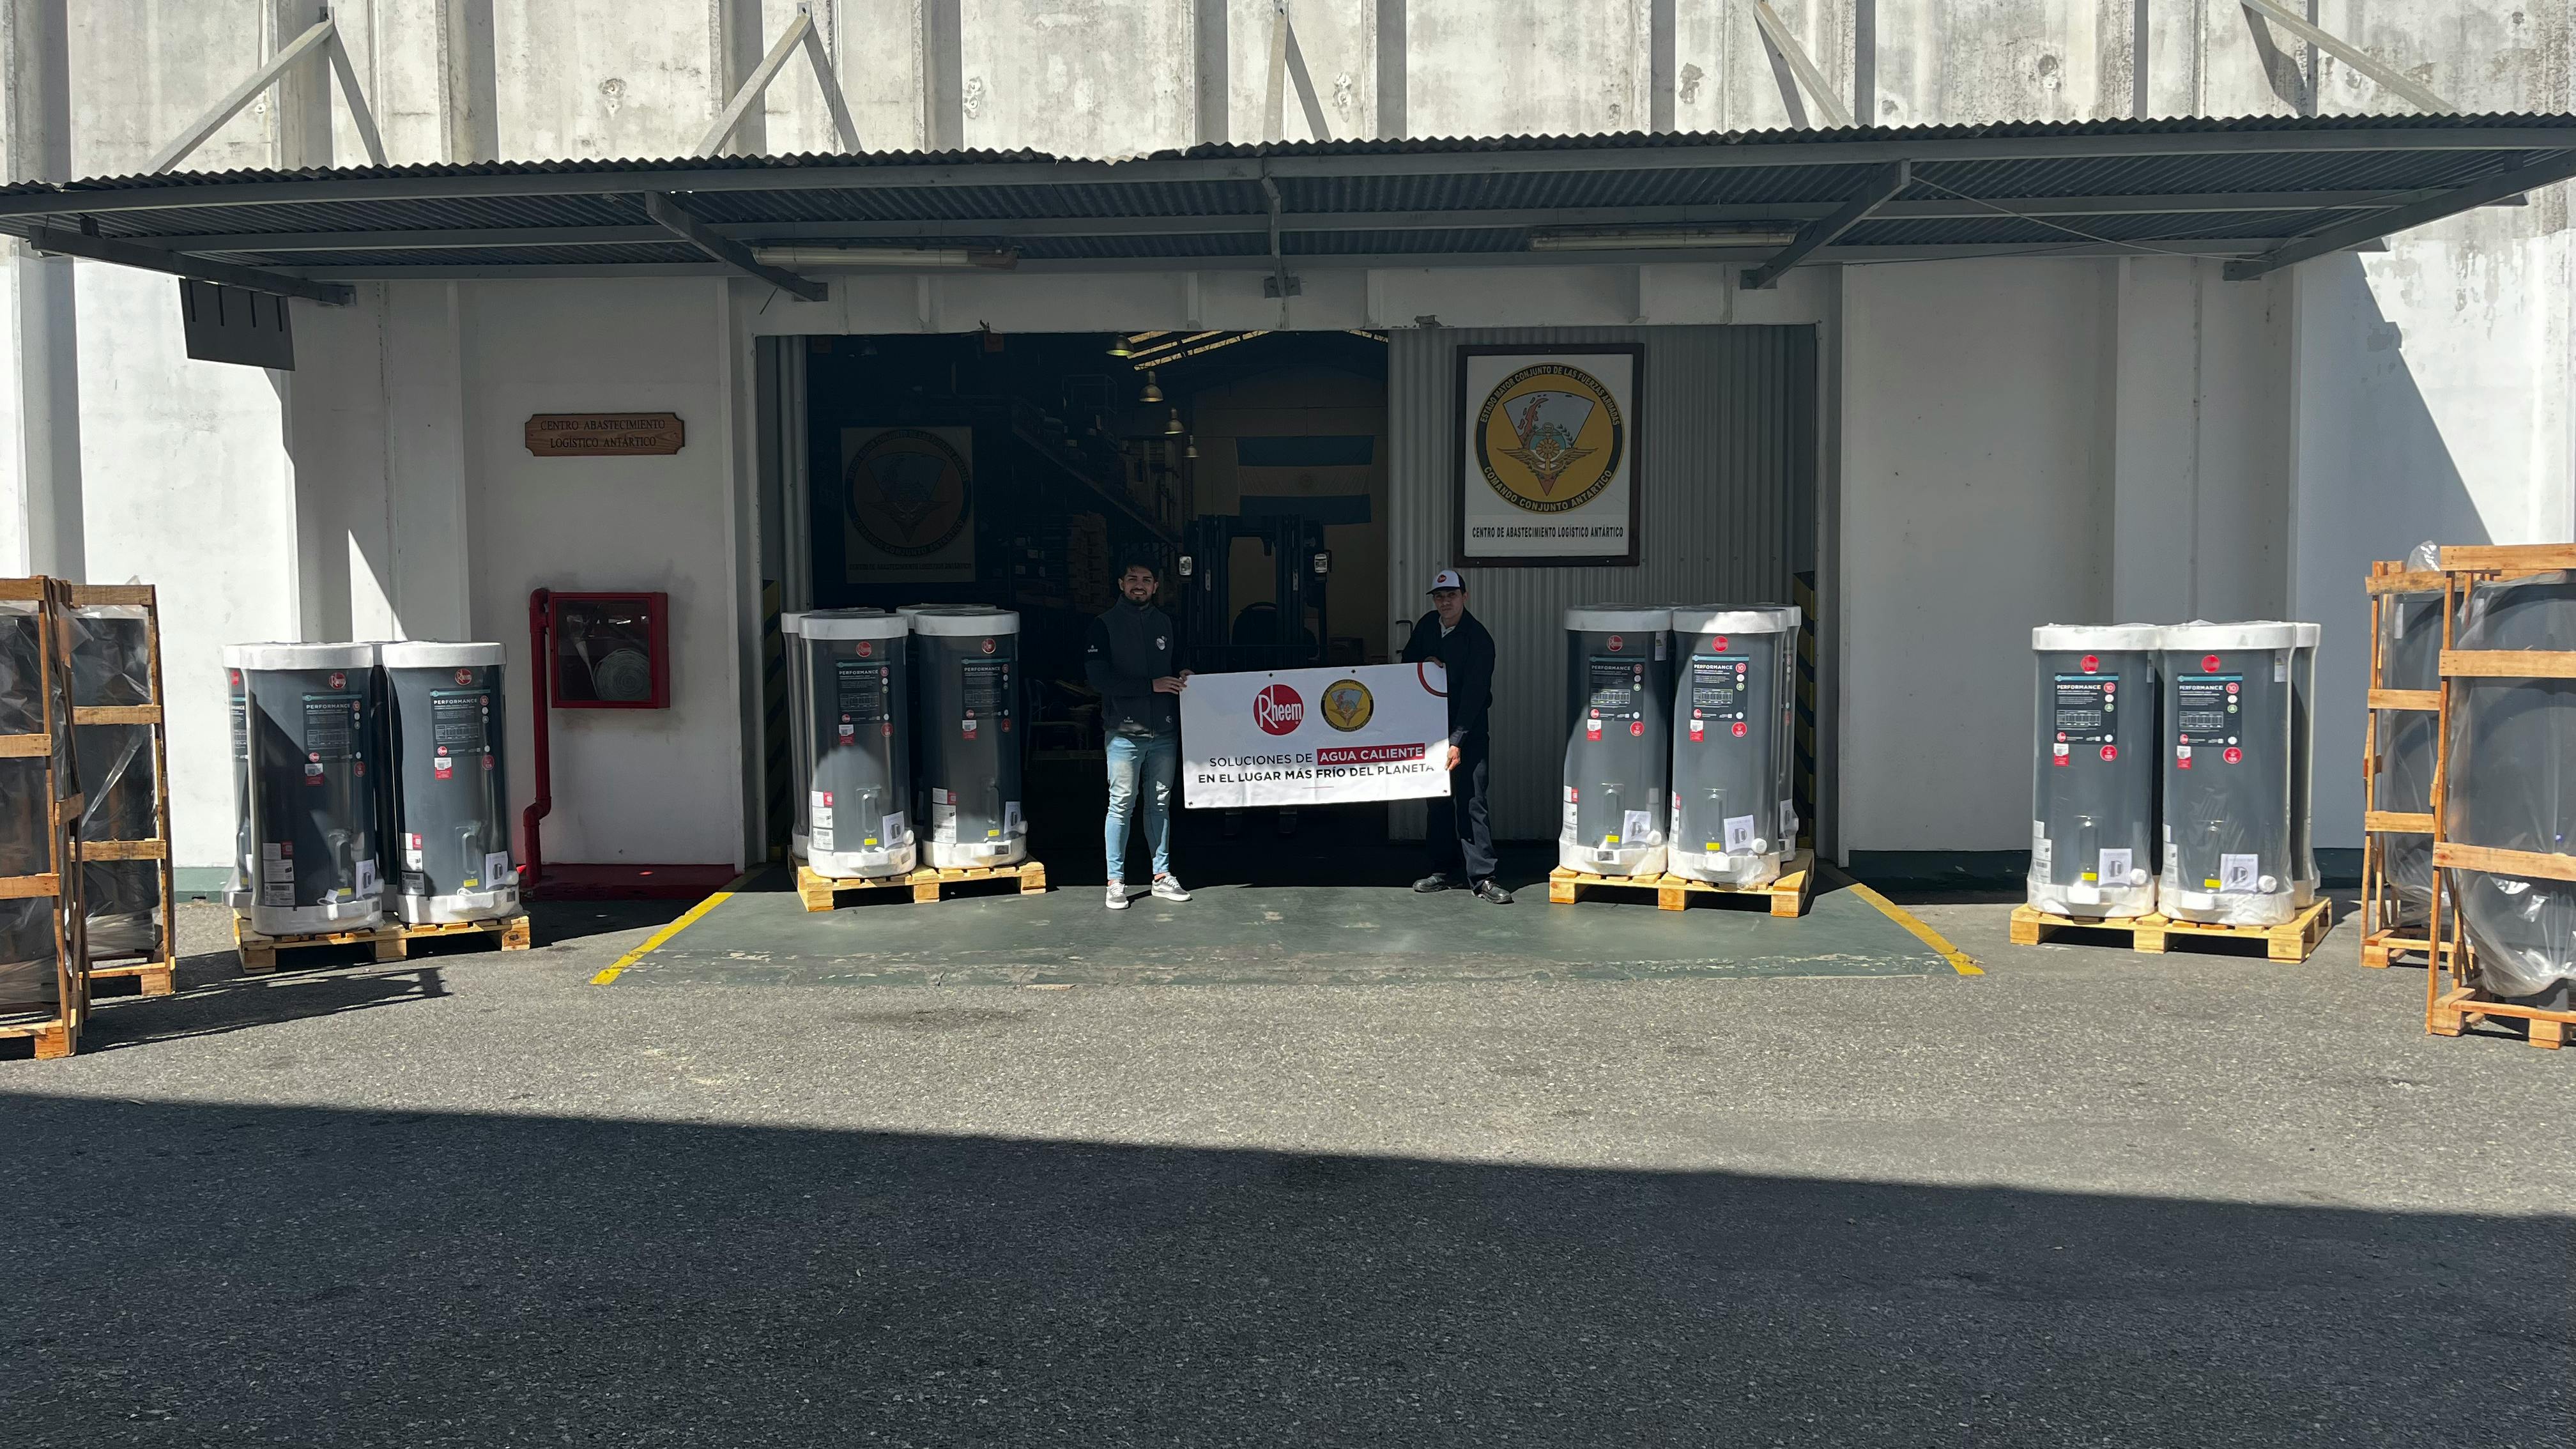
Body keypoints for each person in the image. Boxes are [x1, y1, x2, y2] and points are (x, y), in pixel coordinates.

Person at [1085, 559, 1193, 910]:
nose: (1139, 585)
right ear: (1120, 583)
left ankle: (1161, 876)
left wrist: (1185, 672)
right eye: (1132, 578)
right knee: (1121, 806)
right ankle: (1115, 881)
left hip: (1164, 730)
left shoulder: (1167, 624)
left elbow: (1178, 662)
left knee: (1160, 804)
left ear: (1156, 587)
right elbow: (1099, 679)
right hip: (1124, 732)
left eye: (1146, 580)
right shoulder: (1103, 626)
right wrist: (1151, 686)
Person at [1400, 568, 1509, 903]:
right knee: (1438, 802)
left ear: (1465, 596)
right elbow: (1407, 662)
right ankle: (1442, 871)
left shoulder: (1479, 638)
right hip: (1433, 730)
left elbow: (1476, 695)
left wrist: (1457, 741)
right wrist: (1425, 662)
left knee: (1473, 801)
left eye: (1451, 595)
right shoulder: (1426, 626)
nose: (1445, 602)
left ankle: (1483, 878)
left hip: (1469, 731)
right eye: (1439, 597)